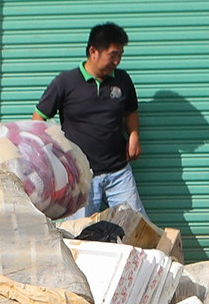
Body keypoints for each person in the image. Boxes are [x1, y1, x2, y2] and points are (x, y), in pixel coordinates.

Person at [34, 23, 143, 214]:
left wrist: (134, 135)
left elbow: (130, 111)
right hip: (81, 176)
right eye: (113, 55)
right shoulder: (66, 83)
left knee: (137, 227)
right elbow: (39, 118)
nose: (117, 61)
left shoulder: (123, 80)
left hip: (118, 172)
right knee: (79, 235)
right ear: (93, 51)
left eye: (120, 55)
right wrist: (48, 157)